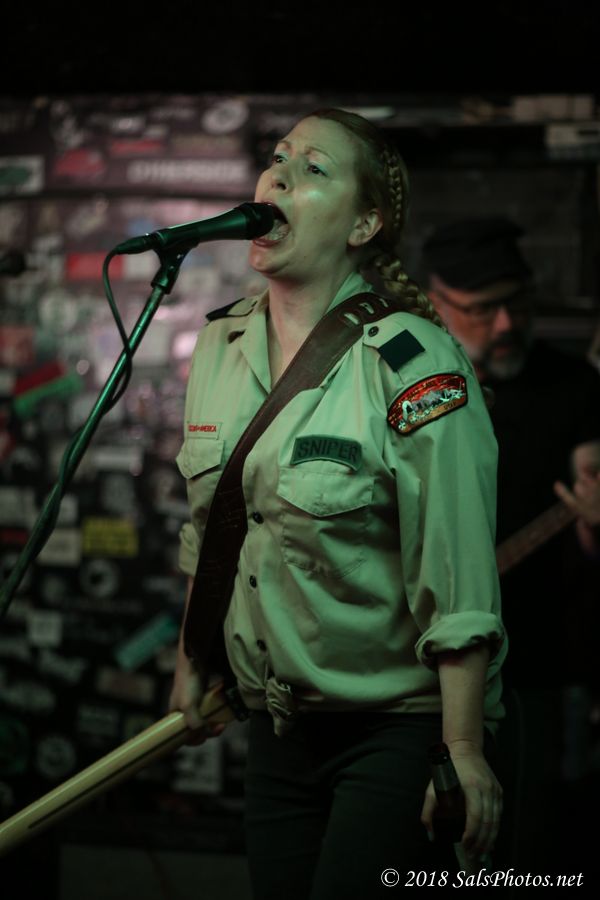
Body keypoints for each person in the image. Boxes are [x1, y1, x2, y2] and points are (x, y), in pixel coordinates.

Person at [169, 110, 506, 899]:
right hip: (278, 729)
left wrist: (461, 747)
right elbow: (211, 531)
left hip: (396, 730)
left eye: (313, 168)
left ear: (364, 224)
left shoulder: (414, 361)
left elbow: (457, 568)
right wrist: (192, 662)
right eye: (278, 158)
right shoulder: (219, 345)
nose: (279, 175)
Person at [421, 217, 600, 876]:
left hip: (536, 667)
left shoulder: (575, 387)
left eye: (517, 304)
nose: (504, 325)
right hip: (412, 673)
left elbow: (590, 486)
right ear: (435, 303)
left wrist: (593, 522)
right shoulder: (406, 390)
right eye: (482, 310)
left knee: (527, 847)